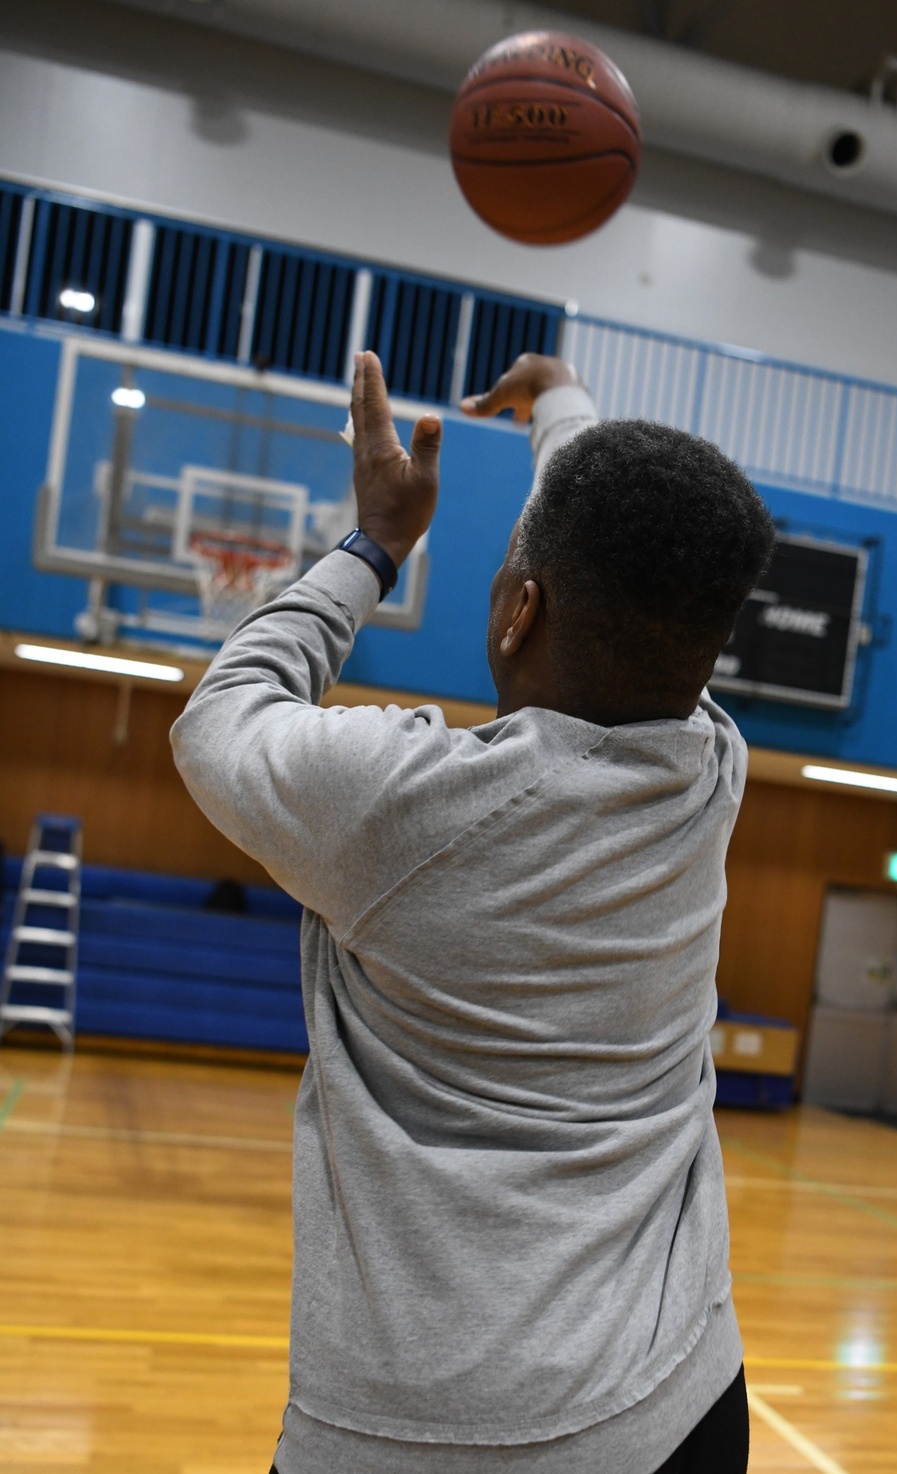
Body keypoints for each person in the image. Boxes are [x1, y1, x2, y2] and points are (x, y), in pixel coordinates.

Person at [171, 350, 775, 1474]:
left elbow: (221, 720)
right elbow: (650, 564)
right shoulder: (710, 767)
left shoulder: (397, 806)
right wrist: (562, 409)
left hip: (415, 1437)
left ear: (518, 609)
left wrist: (373, 546)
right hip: (679, 1407)